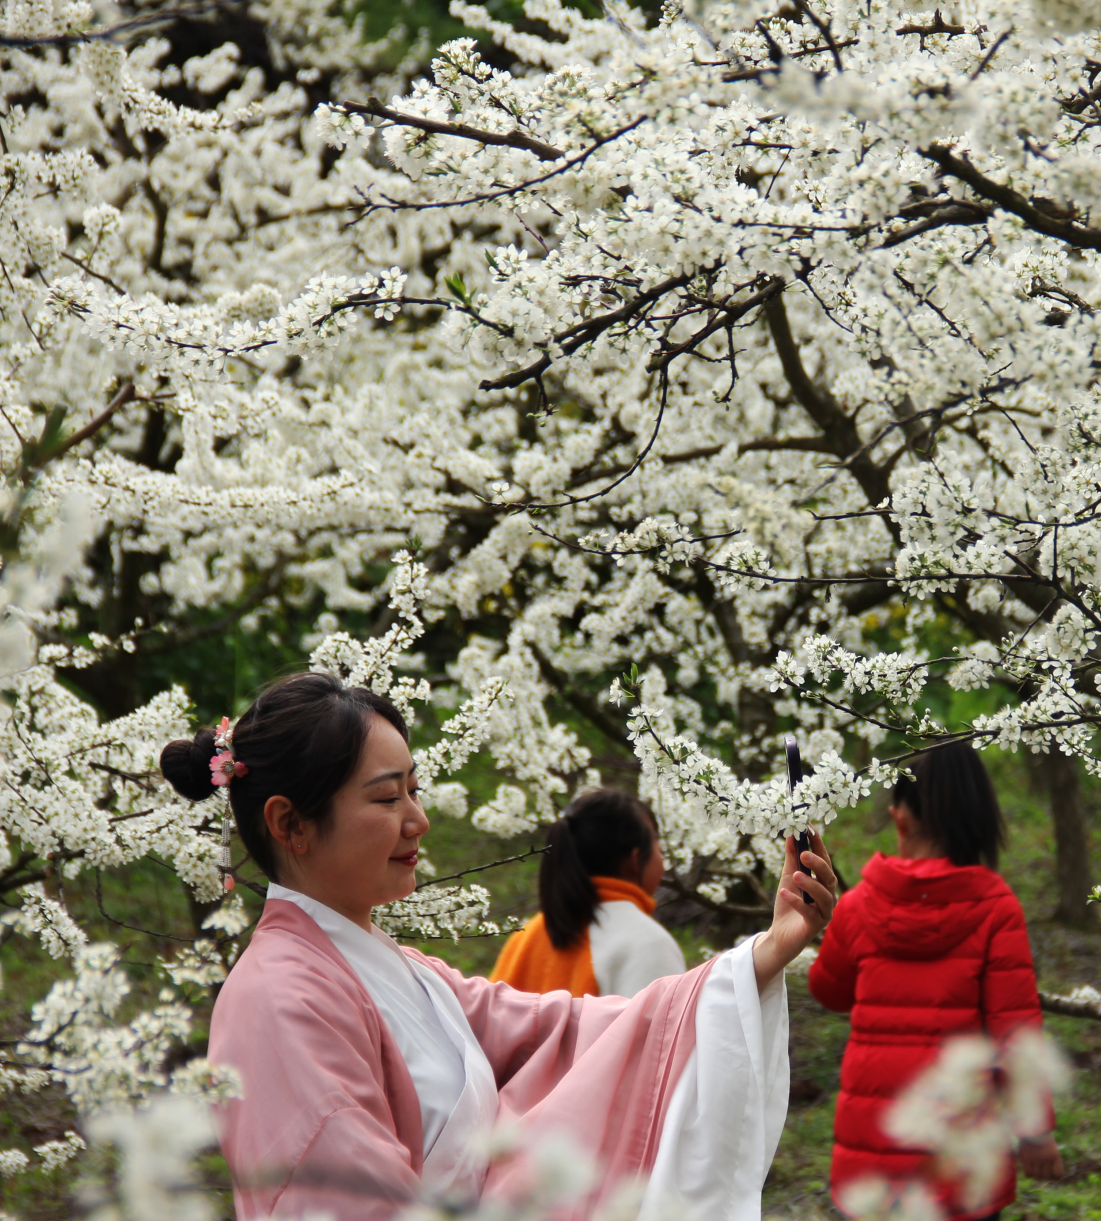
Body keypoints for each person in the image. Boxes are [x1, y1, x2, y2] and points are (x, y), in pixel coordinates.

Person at [162, 673, 837, 1221]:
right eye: (386, 796)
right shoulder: (279, 1001)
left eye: (414, 790)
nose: (418, 819)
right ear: (290, 822)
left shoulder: (391, 965)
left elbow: (563, 1030)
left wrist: (763, 950)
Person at [808, 742, 1064, 1221]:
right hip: (961, 1160)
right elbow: (1016, 1031)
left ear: (901, 819)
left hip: (873, 1161)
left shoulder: (860, 906)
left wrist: (826, 925)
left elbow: (829, 990)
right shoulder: (995, 908)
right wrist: (1035, 1132)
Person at [489, 789, 685, 998]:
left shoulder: (527, 937)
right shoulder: (648, 944)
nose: (662, 857)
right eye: (657, 845)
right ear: (635, 859)